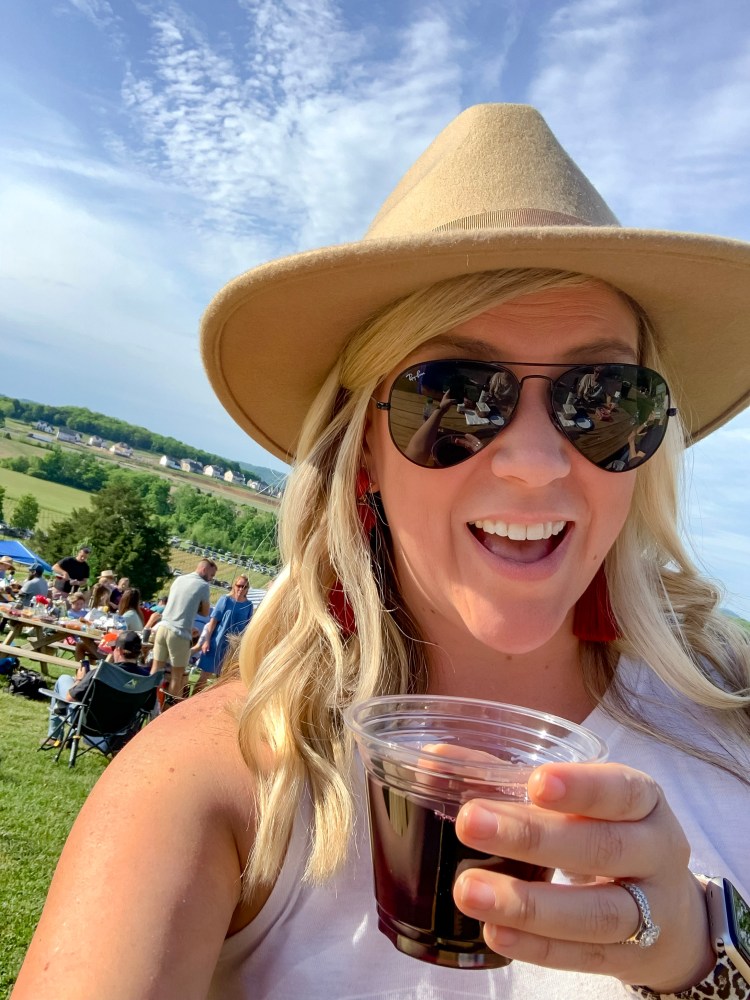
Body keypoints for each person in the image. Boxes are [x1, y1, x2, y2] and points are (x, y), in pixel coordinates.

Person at [13, 104, 750, 1000]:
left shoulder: (735, 730)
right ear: (363, 443)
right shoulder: (221, 783)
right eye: (453, 393)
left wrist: (706, 960)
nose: (536, 461)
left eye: (602, 398)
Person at [44, 631, 149, 744]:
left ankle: (54, 737)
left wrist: (79, 680)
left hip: (88, 725)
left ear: (118, 650)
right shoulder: (146, 679)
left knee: (64, 679)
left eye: (113, 648)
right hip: (121, 728)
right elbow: (147, 708)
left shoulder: (100, 673)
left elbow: (70, 697)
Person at [149, 558, 216, 698]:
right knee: (177, 677)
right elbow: (205, 612)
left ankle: (146, 700)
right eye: (211, 575)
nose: (211, 578)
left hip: (163, 628)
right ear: (204, 569)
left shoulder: (179, 579)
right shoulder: (203, 585)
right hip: (179, 633)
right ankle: (169, 707)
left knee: (155, 670)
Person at [192, 576, 254, 693]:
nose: (241, 589)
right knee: (203, 677)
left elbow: (247, 628)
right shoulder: (225, 600)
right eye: (239, 586)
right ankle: (191, 699)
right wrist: (206, 641)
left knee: (223, 681)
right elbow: (212, 622)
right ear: (234, 586)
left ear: (247, 589)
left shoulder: (249, 605)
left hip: (232, 648)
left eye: (244, 586)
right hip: (216, 644)